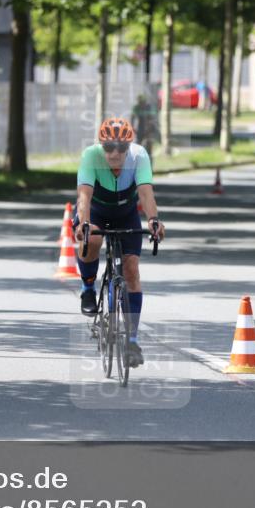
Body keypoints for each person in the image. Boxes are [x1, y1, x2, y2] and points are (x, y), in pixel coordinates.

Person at [74, 117, 166, 368]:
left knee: (132, 270)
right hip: (96, 212)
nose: (115, 153)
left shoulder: (139, 157)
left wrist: (154, 220)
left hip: (126, 213)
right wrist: (83, 222)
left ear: (129, 147)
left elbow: (146, 193)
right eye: (109, 147)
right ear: (101, 145)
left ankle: (132, 340)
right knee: (90, 238)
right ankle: (88, 288)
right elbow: (84, 196)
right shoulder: (91, 156)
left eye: (121, 148)